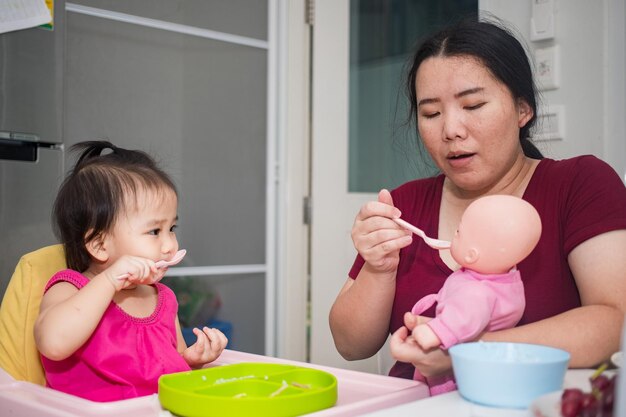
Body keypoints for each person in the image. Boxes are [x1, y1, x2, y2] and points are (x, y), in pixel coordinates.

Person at [328, 16, 626, 388]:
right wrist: (379, 269)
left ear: (523, 109)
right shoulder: (404, 205)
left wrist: (465, 351)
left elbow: (615, 322)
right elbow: (350, 345)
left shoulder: (580, 185)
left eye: (472, 105)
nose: (451, 129)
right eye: (431, 113)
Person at [34, 141, 228, 402]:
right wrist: (109, 280)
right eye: (154, 231)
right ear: (100, 245)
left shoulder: (163, 299)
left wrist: (191, 361)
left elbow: (169, 374)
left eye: (172, 228)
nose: (170, 245)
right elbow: (53, 344)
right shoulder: (70, 289)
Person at [397, 195, 541, 395]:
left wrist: (434, 332)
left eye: (458, 232)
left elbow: (464, 319)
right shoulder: (503, 278)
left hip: (456, 379)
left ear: (471, 255)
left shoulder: (477, 292)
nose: (455, 233)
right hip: (485, 368)